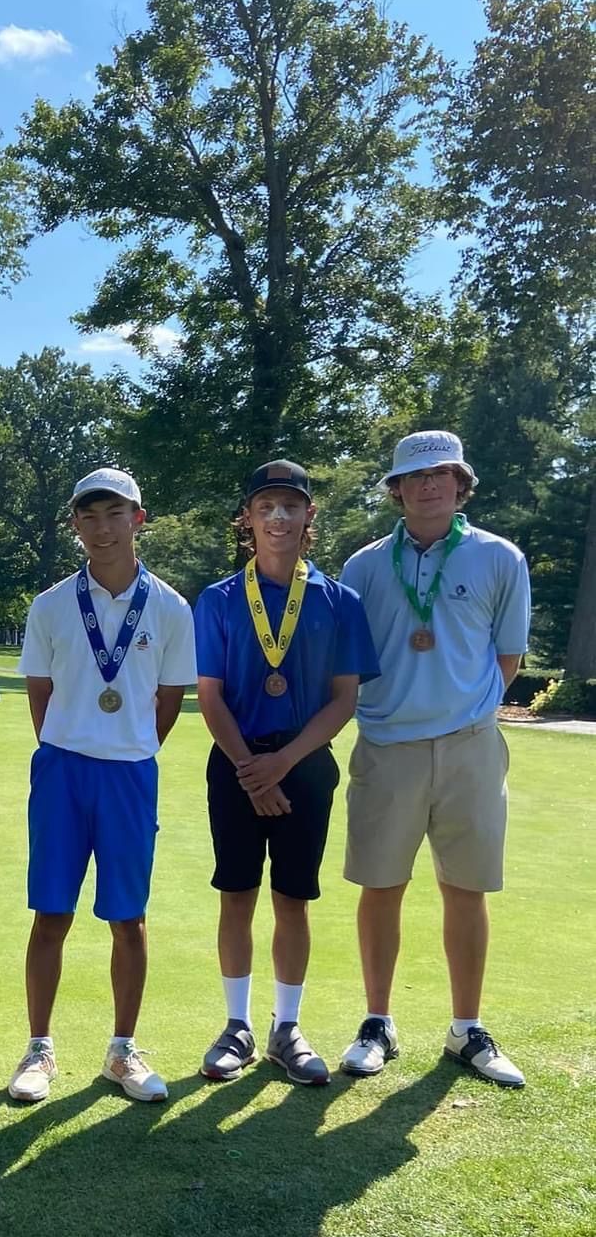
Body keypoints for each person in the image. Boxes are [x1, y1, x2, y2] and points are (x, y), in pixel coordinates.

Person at [338, 431, 530, 1088]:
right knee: (381, 887)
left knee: (466, 888)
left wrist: (461, 711)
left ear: (460, 483)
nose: (430, 486)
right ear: (396, 488)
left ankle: (466, 1029)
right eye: (416, 477)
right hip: (388, 747)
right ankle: (376, 1021)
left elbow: (508, 657)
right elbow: (349, 663)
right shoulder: (363, 567)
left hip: (471, 748)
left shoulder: (500, 559)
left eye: (443, 474)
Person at [11, 467, 197, 1105]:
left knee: (128, 918)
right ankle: (38, 1048)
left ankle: (122, 1050)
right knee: (51, 913)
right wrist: (78, 740)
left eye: (114, 514)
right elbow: (41, 696)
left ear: (138, 519)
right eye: (88, 516)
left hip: (129, 776)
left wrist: (126, 747)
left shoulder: (171, 608)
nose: (102, 527)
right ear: (75, 526)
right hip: (62, 770)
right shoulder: (52, 605)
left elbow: (168, 701)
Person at [193, 461, 380, 1087]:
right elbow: (211, 696)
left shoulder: (340, 601)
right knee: (237, 894)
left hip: (303, 765)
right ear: (246, 519)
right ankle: (237, 1026)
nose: (278, 516)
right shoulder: (218, 599)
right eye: (265, 505)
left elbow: (343, 699)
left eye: (290, 505)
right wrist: (253, 769)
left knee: (293, 899)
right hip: (238, 763)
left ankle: (287, 1029)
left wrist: (282, 765)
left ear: (309, 517)